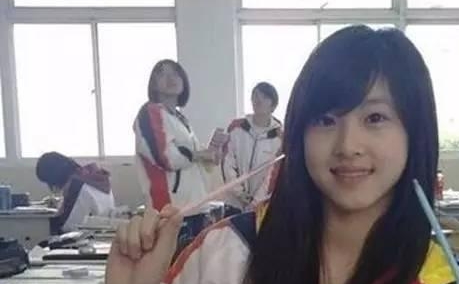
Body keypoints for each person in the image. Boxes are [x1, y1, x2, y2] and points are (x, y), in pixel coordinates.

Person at [73, 26, 459, 284]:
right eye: (325, 120)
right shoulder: (222, 258)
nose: (348, 145)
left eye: (375, 118)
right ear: (297, 135)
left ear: (415, 132)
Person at [133, 59, 219, 250]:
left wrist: (210, 155)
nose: (171, 78)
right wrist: (197, 155)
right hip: (168, 211)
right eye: (162, 73)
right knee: (172, 267)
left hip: (194, 208)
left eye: (175, 73)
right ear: (153, 83)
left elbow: (193, 162)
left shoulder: (180, 118)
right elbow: (164, 156)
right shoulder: (150, 112)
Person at [222, 82, 283, 211]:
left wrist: (254, 203)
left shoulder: (280, 137)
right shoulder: (236, 128)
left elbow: (273, 174)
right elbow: (228, 164)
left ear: (273, 106)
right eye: (255, 95)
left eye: (265, 97)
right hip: (234, 203)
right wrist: (240, 193)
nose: (258, 100)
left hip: (262, 207)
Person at [36, 152, 115, 234]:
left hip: (86, 236)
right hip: (104, 232)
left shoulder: (77, 185)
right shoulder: (93, 176)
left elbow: (68, 226)